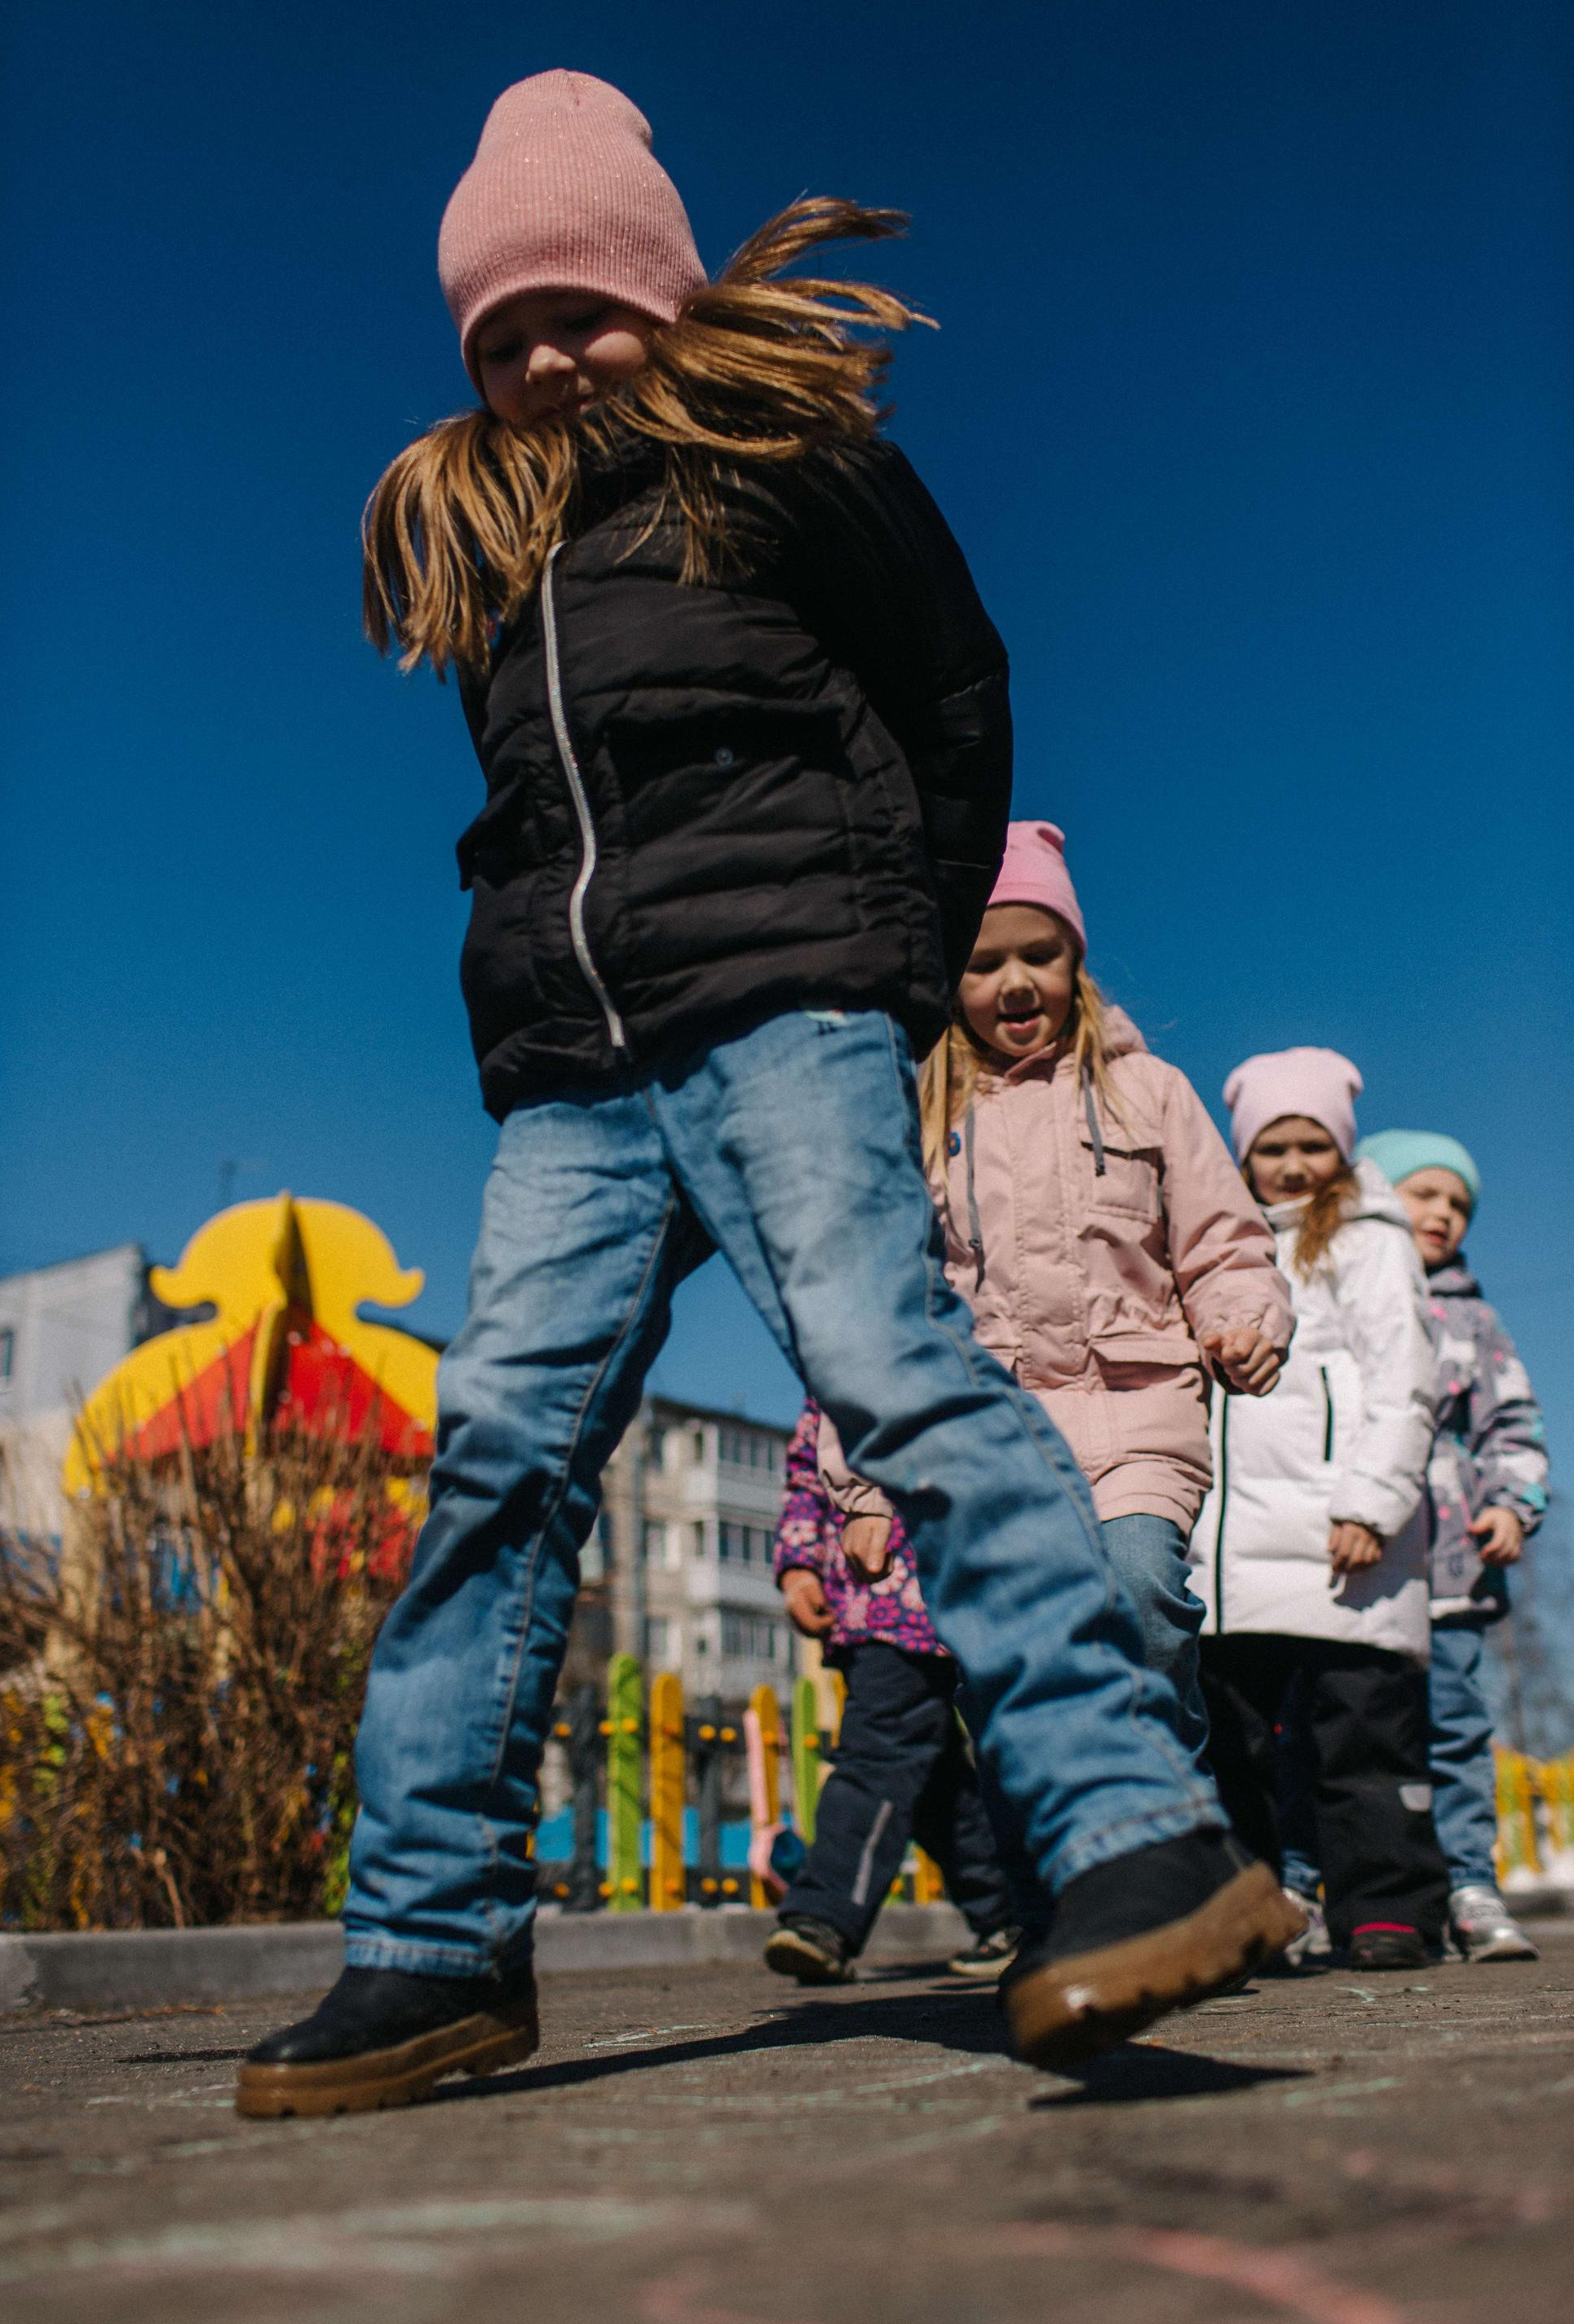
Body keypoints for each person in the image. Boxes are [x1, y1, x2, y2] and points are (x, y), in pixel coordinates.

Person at [236, 73, 1299, 2117]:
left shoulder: (770, 453)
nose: (545, 352)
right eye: (499, 328)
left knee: (898, 1371)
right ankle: (432, 1942)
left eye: (581, 306)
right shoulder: (492, 536)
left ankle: (1124, 1826)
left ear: (660, 290)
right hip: (574, 1077)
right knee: (498, 1459)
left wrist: (896, 966)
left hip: (793, 1006)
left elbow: (952, 684)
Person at [818, 821, 1293, 1941]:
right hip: (994, 1437)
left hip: (1136, 1408)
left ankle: (1172, 1843)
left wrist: (1241, 1321)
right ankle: (1064, 1903)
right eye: (983, 962)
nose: (1014, 982)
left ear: (1076, 960)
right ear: (948, 975)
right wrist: (867, 1484)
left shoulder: (1148, 1094)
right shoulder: (919, 1112)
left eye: (1040, 952)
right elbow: (878, 1307)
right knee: (1010, 1668)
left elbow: (1224, 1242)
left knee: (1139, 1603)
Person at [1187, 1050, 1449, 1972]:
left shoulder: (1371, 1238)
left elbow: (1403, 1381)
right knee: (1239, 1748)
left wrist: (1370, 1503)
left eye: (1310, 1145)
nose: (1291, 1165)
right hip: (1234, 1549)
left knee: (1362, 1737)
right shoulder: (1210, 1239)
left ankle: (1387, 1907)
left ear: (1340, 1151)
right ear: (1241, 1155)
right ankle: (1250, 1913)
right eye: (1270, 1147)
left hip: (1345, 1535)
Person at [1350, 1132, 1545, 1960]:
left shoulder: (1472, 1317)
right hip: (1353, 1558)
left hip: (1452, 1565)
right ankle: (1322, 1881)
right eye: (1423, 1193)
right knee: (1346, 1731)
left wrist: (1509, 1502)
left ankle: (1468, 1882)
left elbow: (1511, 1421)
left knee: (1454, 1729)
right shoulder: (1336, 1292)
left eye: (1457, 1203)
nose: (1442, 1214)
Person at [765, 1400, 1021, 1983]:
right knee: (921, 1773)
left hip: (956, 1585)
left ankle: (824, 1916)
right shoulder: (833, 1372)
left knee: (895, 1758)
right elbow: (807, 1472)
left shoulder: (972, 1334)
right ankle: (1005, 1912)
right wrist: (799, 1566)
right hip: (873, 1604)